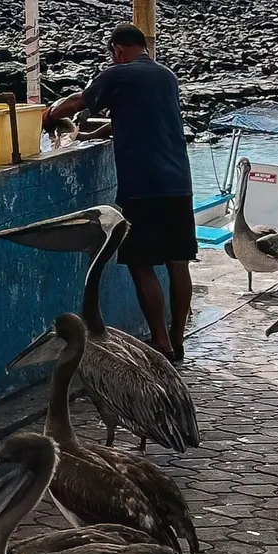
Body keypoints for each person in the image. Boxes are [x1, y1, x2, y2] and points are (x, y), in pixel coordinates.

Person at [47, 24, 196, 362]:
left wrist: (49, 113)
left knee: (141, 263)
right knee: (178, 262)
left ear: (117, 49)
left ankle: (161, 343)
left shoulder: (117, 74)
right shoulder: (167, 76)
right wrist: (93, 133)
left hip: (143, 184)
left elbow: (78, 102)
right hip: (179, 180)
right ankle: (178, 337)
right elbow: (139, 119)